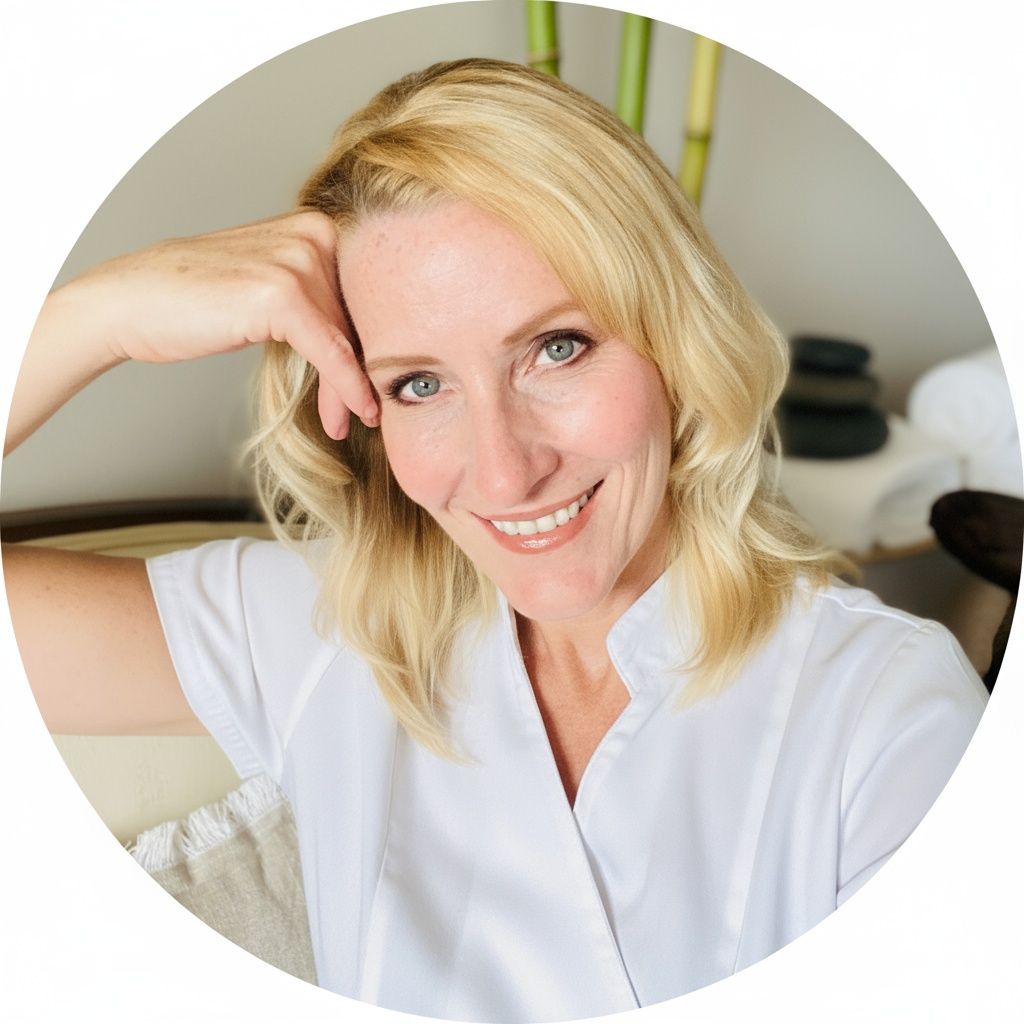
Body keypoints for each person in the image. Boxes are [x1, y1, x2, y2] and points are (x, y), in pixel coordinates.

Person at [3, 59, 986, 1022]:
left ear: (676, 340)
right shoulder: (320, 630)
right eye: (418, 383)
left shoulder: (884, 710)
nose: (506, 471)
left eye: (556, 347)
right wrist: (96, 317)